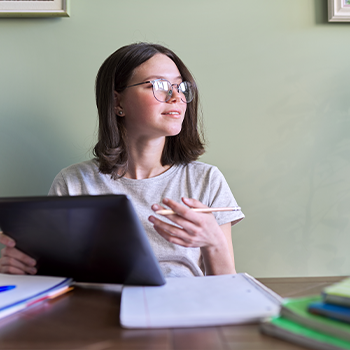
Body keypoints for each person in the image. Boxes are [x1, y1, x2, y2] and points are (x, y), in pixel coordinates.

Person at [0, 42, 244, 277]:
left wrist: (214, 243)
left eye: (181, 87)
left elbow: (228, 290)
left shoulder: (206, 180)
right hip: (97, 313)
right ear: (118, 102)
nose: (175, 96)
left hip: (184, 311)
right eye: (158, 85)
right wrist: (23, 270)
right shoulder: (74, 183)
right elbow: (55, 279)